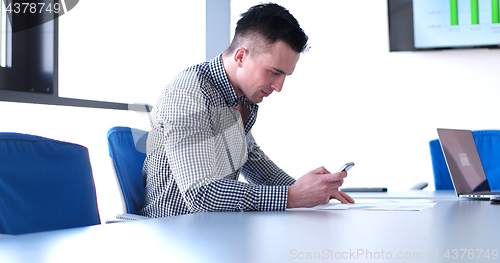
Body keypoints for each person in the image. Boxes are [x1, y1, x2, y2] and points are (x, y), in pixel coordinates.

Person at [139, 3, 354, 218]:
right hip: (174, 232)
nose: (278, 87)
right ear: (241, 57)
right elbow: (200, 194)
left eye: (284, 76)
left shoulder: (242, 99)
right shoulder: (189, 93)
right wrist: (292, 196)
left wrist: (311, 191)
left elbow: (256, 165)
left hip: (214, 229)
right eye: (273, 72)